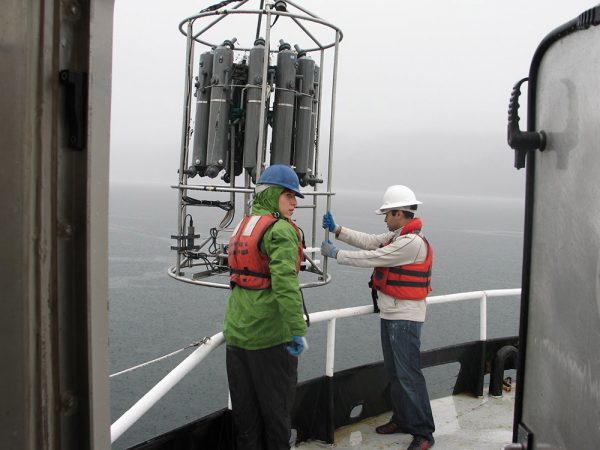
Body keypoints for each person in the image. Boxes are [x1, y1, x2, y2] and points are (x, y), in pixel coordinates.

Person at [320, 185, 436, 450]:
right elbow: (371, 241)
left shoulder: (411, 243)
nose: (384, 218)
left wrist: (337, 254)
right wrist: (339, 231)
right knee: (396, 373)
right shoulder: (399, 236)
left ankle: (423, 433)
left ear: (399, 213)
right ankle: (403, 419)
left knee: (409, 375)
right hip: (392, 313)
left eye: (387, 213)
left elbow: (375, 256)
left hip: (405, 318)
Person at [224, 164, 307, 450]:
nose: (295, 202)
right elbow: (285, 285)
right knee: (276, 418)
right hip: (270, 339)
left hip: (236, 336)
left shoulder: (243, 225)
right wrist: (297, 330)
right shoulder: (281, 230)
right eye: (289, 195)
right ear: (272, 195)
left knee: (246, 422)